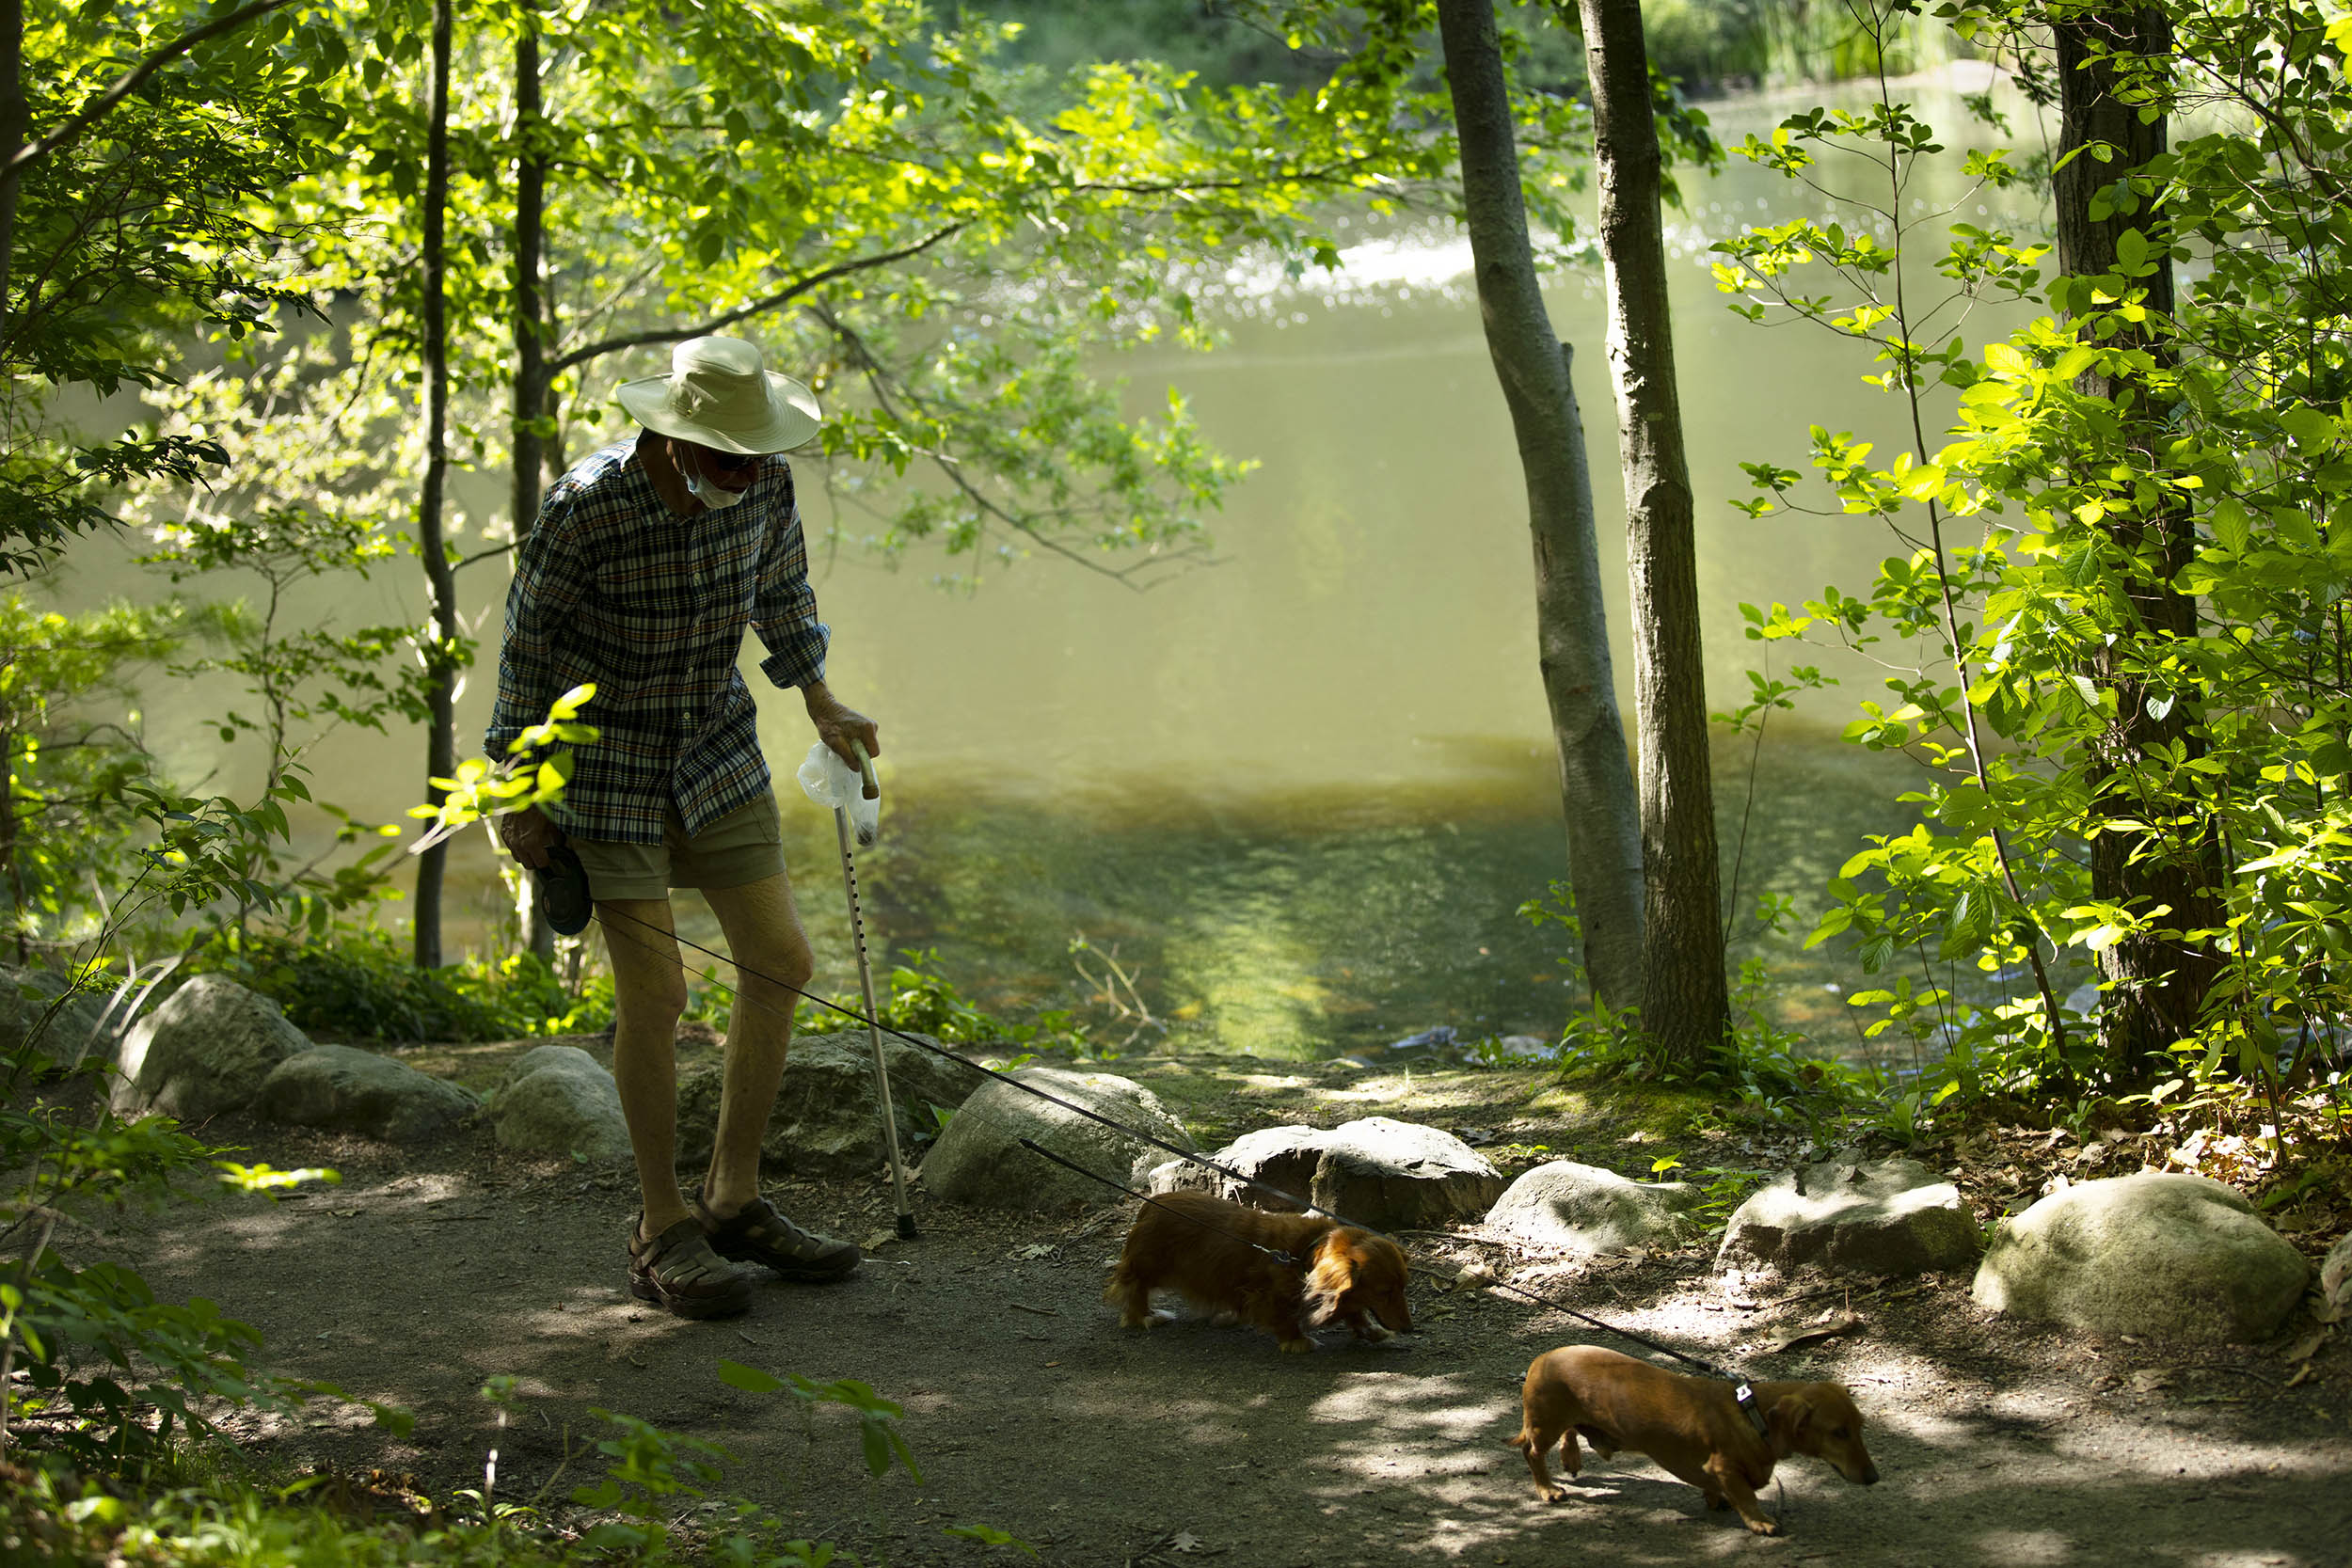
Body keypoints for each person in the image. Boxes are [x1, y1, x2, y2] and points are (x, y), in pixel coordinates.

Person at [487, 335, 877, 1320]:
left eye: (755, 457)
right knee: (656, 993)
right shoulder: (587, 506)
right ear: (673, 438)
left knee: (781, 958)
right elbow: (527, 645)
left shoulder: (766, 485)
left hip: (712, 746)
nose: (744, 474)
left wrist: (822, 702)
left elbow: (784, 598)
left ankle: (734, 1197)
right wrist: (524, 787)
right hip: (603, 764)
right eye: (727, 458)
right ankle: (661, 1225)